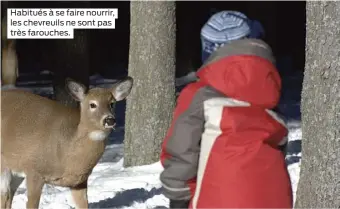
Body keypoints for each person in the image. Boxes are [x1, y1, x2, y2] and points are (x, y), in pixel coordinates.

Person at [160, 11, 293, 209]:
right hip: (274, 196)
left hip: (220, 198)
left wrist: (178, 196)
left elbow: (181, 150)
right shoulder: (270, 92)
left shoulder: (198, 95)